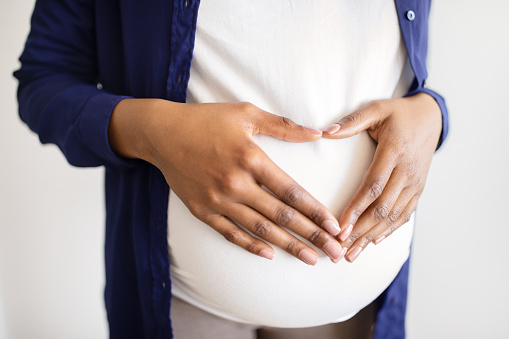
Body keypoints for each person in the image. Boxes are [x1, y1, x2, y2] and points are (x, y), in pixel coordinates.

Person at [15, 0, 448, 338]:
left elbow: (396, 62)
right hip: (181, 303)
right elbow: (44, 79)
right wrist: (152, 131)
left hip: (358, 307)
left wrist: (433, 112)